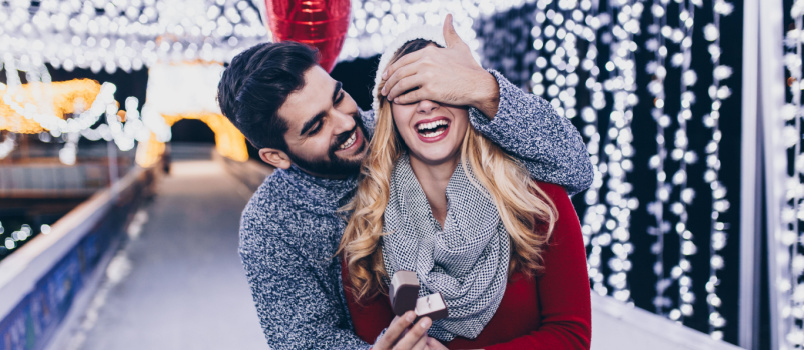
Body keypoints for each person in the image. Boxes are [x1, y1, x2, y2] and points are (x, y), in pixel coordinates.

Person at [216, 14, 593, 350]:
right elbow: (302, 341)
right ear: (276, 156)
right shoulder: (280, 226)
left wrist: (483, 88)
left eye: (339, 97)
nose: (347, 123)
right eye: (317, 125)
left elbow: (574, 168)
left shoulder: (396, 127)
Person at [338, 27, 591, 349]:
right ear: (389, 115)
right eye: (409, 91)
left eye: (443, 88)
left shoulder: (537, 201)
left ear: (468, 98)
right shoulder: (366, 227)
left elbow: (571, 336)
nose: (427, 105)